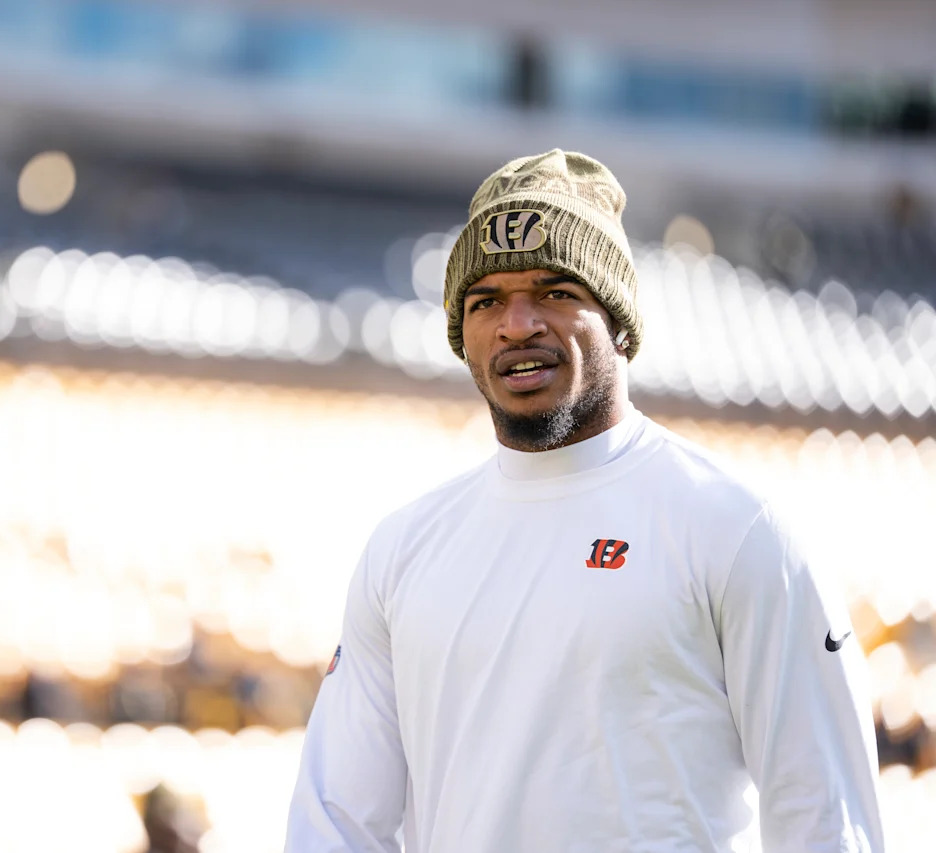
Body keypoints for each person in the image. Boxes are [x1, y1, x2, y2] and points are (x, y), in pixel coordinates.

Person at [284, 150, 883, 852]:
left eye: (556, 291)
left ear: (620, 323)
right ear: (462, 335)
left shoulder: (738, 528)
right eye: (485, 301)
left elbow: (825, 818)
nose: (517, 324)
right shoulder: (403, 548)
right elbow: (335, 821)